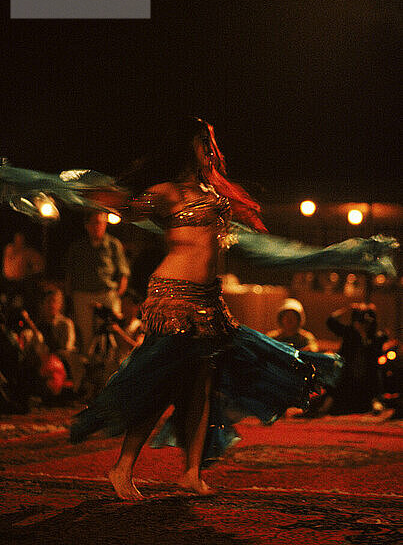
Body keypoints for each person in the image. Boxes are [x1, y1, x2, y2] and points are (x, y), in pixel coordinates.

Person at [70, 117, 343, 500]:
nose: (210, 150)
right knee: (160, 382)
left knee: (203, 386)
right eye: (203, 143)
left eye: (211, 143)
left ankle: (192, 472)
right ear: (188, 148)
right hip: (174, 297)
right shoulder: (169, 193)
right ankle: (122, 467)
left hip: (209, 300)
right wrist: (88, 192)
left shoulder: (212, 194)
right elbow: (129, 208)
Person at [65, 211, 131, 360]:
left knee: (113, 333)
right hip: (83, 295)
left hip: (107, 294)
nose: (98, 227)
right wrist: (70, 298)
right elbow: (70, 273)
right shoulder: (78, 247)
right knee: (87, 336)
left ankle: (115, 367)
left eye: (101, 223)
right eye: (94, 223)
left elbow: (123, 273)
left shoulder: (113, 245)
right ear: (87, 226)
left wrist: (117, 295)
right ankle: (89, 370)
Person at [325, 303, 388, 414]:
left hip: (367, 380)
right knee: (336, 380)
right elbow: (330, 321)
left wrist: (365, 336)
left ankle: (377, 402)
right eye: (359, 321)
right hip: (347, 379)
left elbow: (378, 350)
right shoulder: (349, 333)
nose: (362, 324)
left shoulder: (376, 337)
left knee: (376, 376)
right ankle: (326, 405)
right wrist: (347, 309)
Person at [1, 232, 44, 311]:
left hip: (20, 284)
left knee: (18, 305)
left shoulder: (27, 252)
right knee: (6, 304)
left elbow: (39, 265)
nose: (18, 241)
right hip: (6, 283)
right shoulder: (9, 248)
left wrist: (30, 272)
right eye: (17, 239)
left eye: (20, 239)